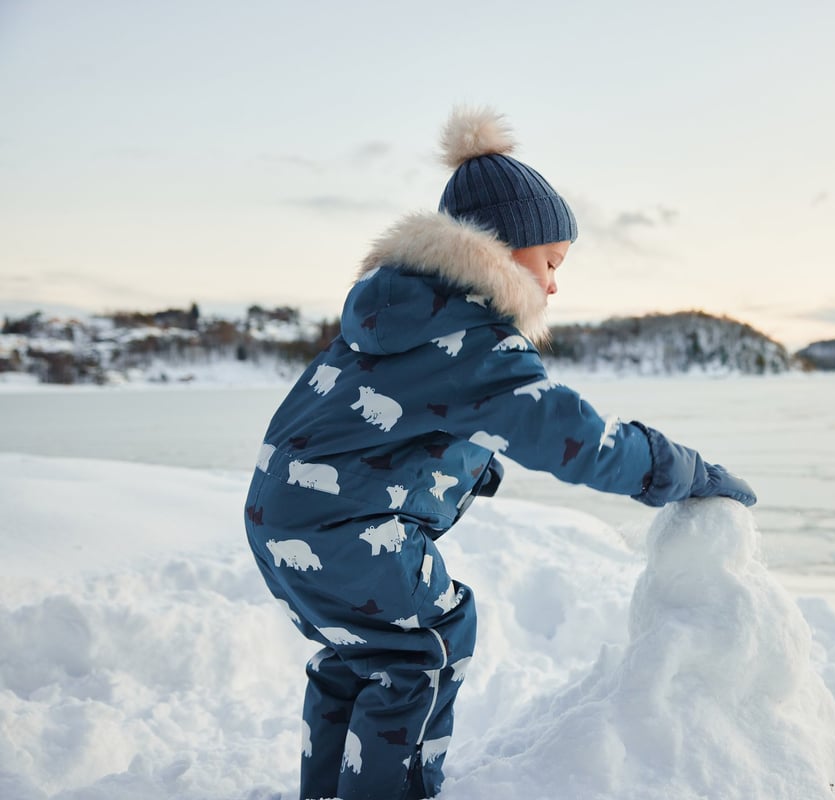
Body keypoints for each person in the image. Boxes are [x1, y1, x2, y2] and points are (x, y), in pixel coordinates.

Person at [243, 106, 757, 800]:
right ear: (502, 250)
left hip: (282, 518)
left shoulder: (397, 317)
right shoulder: (472, 338)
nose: (553, 285)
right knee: (423, 648)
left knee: (358, 655)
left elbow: (378, 428)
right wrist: (685, 471)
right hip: (350, 531)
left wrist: (469, 465)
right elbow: (576, 440)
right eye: (550, 262)